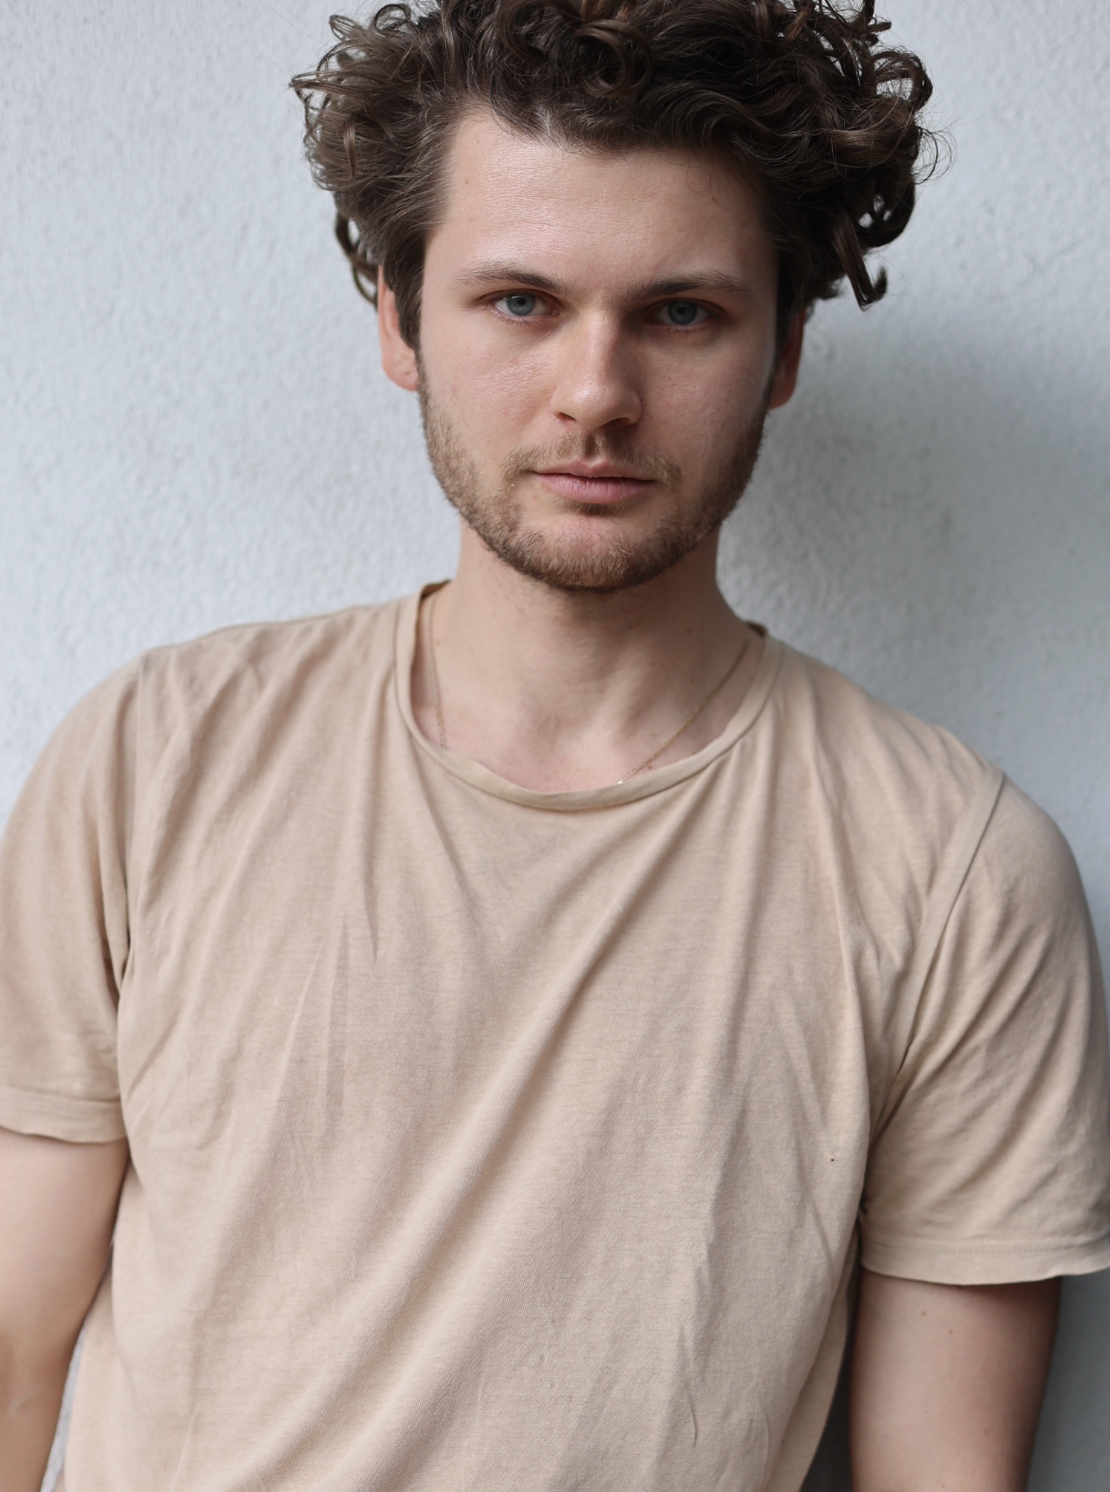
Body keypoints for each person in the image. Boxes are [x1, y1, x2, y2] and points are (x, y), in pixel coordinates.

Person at [2, 1, 1108, 1488]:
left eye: (681, 313)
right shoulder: (153, 761)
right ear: (399, 321)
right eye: (520, 301)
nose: (596, 392)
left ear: (784, 347)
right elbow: (11, 1354)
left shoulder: (958, 874)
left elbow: (942, 1474)